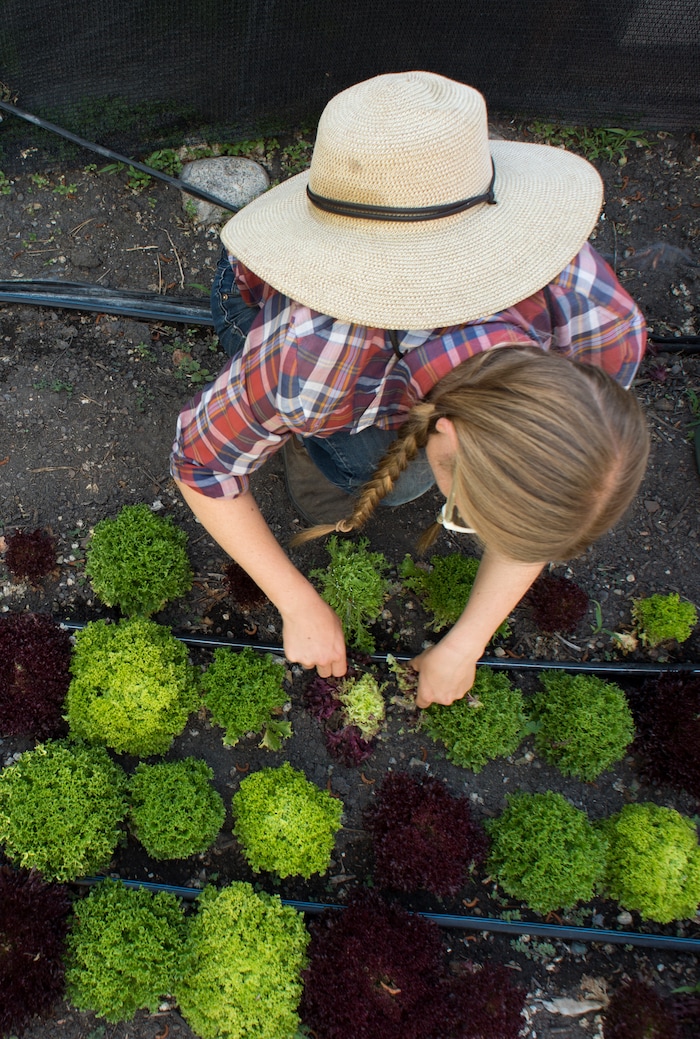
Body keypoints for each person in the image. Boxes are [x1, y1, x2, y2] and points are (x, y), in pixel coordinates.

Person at [170, 71, 649, 707]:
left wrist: (467, 643)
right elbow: (201, 465)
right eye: (468, 515)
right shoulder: (312, 366)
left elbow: (545, 493)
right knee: (356, 475)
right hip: (262, 303)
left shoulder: (604, 330)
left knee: (395, 477)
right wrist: (296, 600)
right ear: (443, 432)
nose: (471, 523)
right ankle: (303, 452)